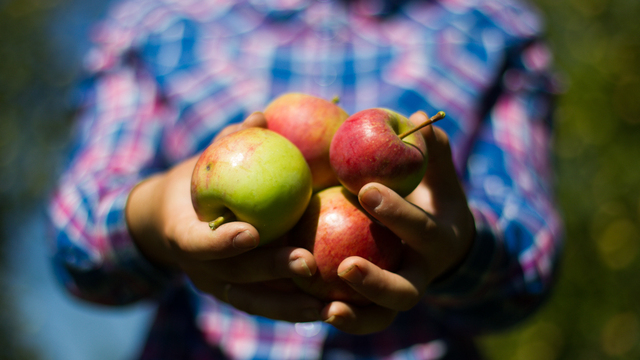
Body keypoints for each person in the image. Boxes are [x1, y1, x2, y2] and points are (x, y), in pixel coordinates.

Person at [48, 0, 563, 358]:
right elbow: (78, 246)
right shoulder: (154, 22)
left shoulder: (493, 27)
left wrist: (458, 253)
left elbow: (528, 264)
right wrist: (156, 212)